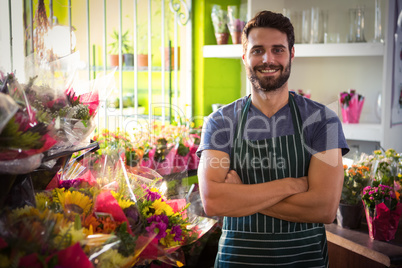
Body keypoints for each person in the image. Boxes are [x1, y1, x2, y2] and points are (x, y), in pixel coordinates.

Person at [196, 10, 349, 267]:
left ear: (291, 54)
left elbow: (324, 208)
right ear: (244, 57)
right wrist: (292, 185)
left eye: (278, 49)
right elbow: (213, 201)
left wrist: (240, 194)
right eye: (258, 50)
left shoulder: (323, 120)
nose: (268, 59)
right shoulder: (220, 122)